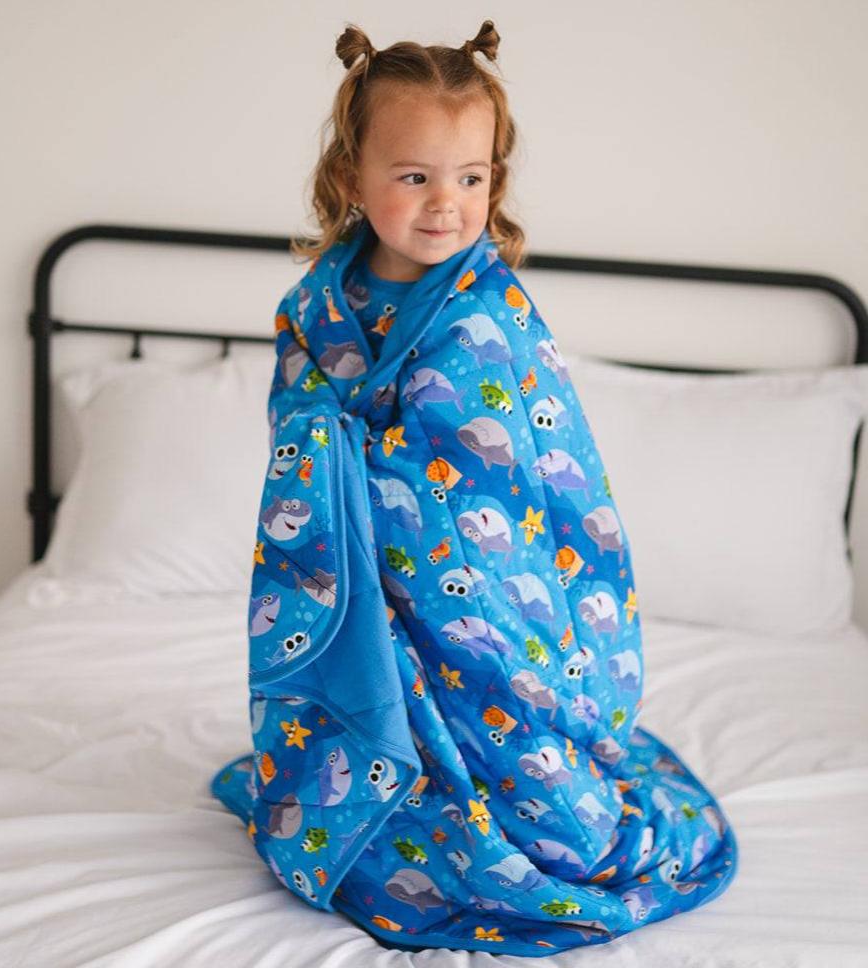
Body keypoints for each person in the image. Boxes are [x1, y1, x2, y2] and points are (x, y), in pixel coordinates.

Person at [211, 20, 737, 957]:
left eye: (472, 177)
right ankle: (381, 801)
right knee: (372, 738)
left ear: (496, 179)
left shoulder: (488, 315)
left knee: (547, 812)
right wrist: (328, 444)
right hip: (365, 585)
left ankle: (501, 795)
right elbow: (297, 421)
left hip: (473, 588)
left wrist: (364, 453)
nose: (445, 204)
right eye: (414, 176)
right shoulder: (316, 307)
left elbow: (504, 475)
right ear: (350, 178)